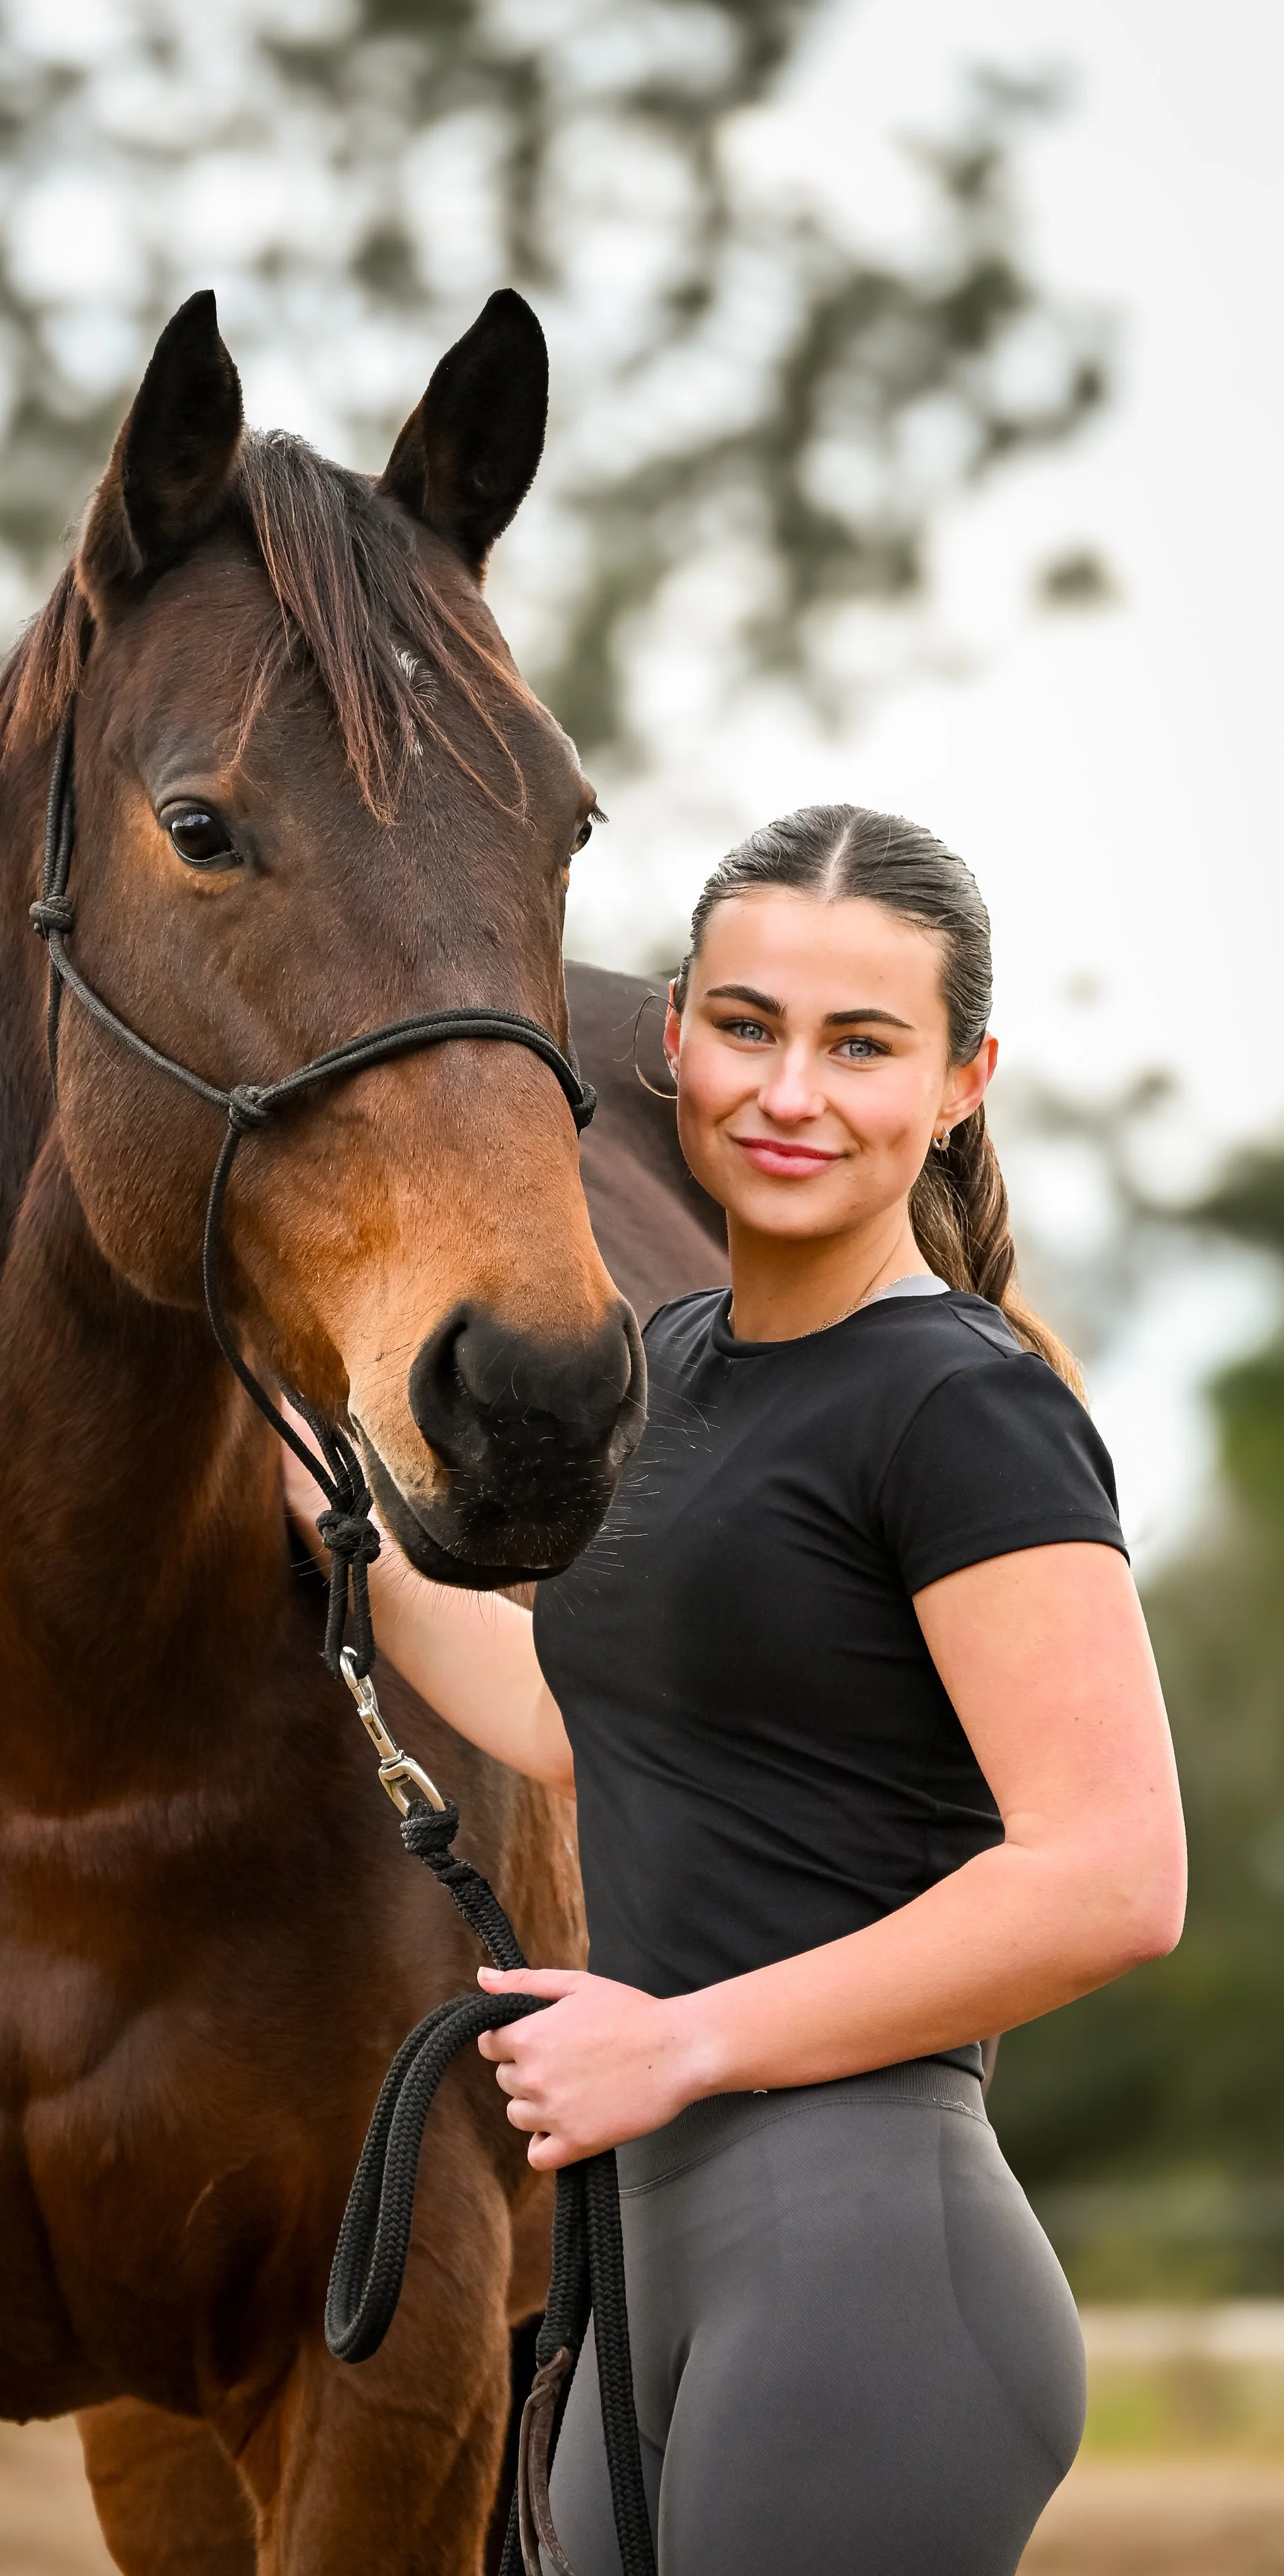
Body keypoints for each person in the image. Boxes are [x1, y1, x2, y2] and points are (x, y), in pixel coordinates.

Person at [285, 803, 1185, 2576]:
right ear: (673, 1034)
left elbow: (1113, 1878)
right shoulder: (674, 1367)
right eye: (751, 1027)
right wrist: (320, 1504)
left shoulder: (960, 1406)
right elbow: (582, 1718)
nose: (791, 1092)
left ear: (962, 1081)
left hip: (867, 2258)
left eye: (864, 1046)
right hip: (663, 2260)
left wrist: (675, 2039)